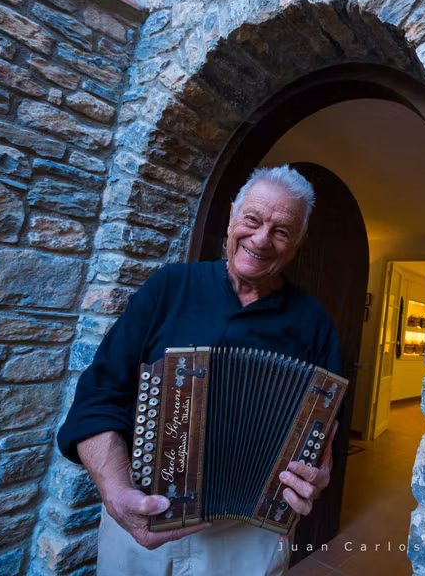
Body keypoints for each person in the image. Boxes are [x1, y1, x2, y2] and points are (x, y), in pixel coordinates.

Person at [57, 165, 343, 575]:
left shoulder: (314, 323)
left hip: (246, 534)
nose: (261, 239)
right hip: (146, 510)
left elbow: (325, 433)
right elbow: (98, 398)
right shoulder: (168, 288)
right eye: (252, 219)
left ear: (298, 243)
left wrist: (316, 474)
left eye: (281, 231)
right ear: (231, 217)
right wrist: (116, 492)